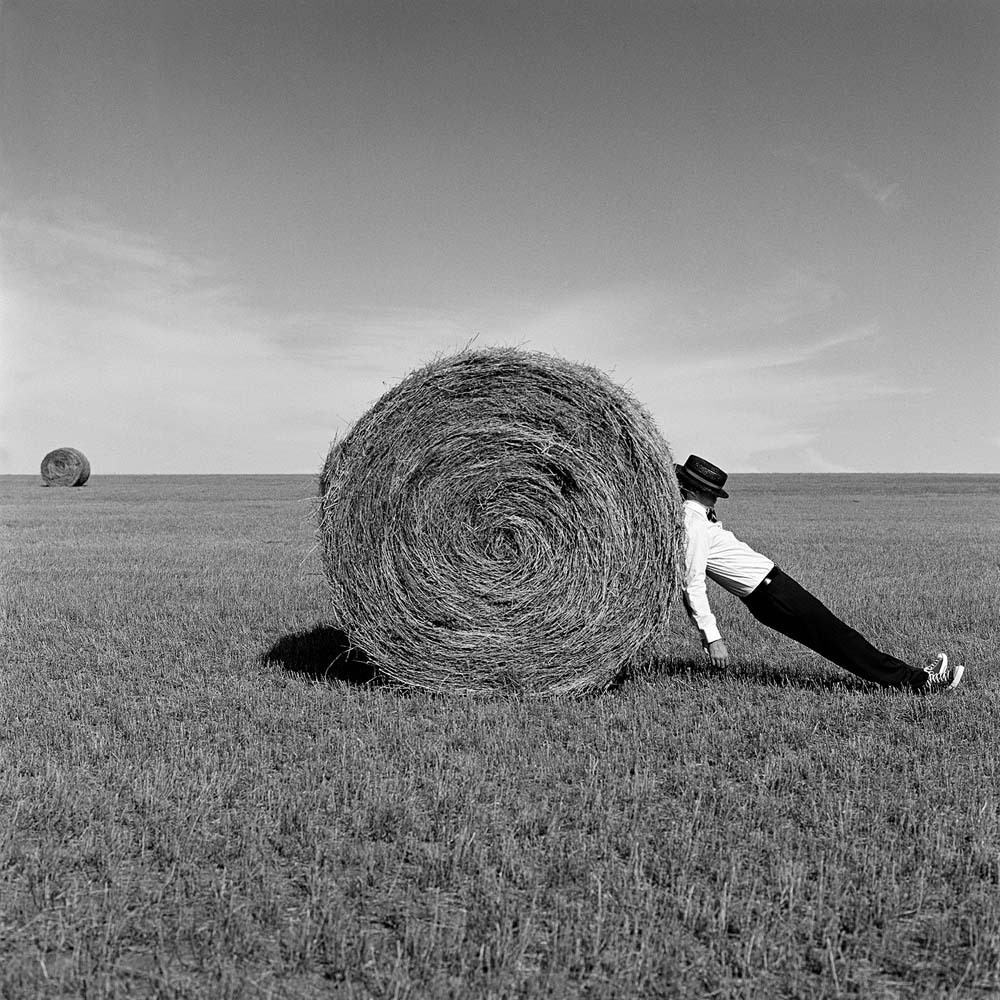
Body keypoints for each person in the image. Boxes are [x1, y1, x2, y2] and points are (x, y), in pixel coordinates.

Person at [675, 454, 964, 692]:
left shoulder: (700, 518)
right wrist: (712, 637)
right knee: (840, 639)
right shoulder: (693, 523)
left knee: (838, 638)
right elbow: (693, 582)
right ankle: (921, 682)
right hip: (770, 595)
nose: (716, 498)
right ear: (697, 489)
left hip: (773, 590)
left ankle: (911, 676)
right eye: (712, 492)